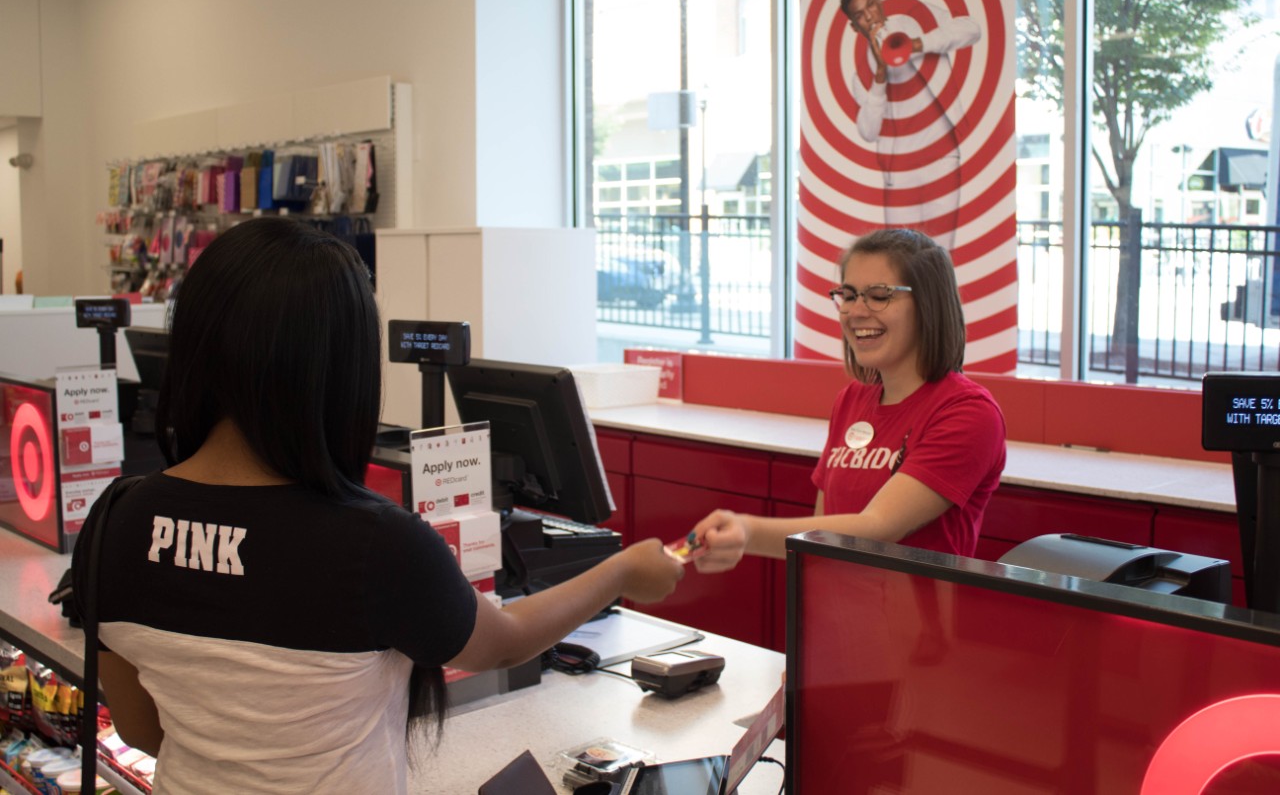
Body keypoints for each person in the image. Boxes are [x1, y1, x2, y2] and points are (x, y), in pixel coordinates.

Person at [71, 217, 684, 794]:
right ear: (340, 374)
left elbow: (139, 728)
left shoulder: (115, 520)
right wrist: (623, 570)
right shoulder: (373, 543)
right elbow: (502, 643)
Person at [691, 227, 1005, 571]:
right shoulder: (852, 400)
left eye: (879, 295)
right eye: (850, 294)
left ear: (928, 304)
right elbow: (821, 534)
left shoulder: (968, 413)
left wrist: (749, 532)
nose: (857, 311)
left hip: (915, 624)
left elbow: (878, 528)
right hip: (835, 616)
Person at [841, 0, 982, 233]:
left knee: (940, 259)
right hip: (899, 172)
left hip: (941, 157)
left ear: (880, 1)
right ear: (854, 26)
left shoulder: (917, 19)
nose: (870, 16)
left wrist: (916, 44)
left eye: (871, 5)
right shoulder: (862, 75)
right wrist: (880, 74)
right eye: (861, 15)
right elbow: (868, 132)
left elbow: (972, 29)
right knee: (899, 263)